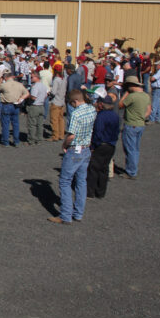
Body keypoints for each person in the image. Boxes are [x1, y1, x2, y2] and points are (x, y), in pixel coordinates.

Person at [48, 89, 97, 225]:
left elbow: (72, 135)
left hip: (75, 149)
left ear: (75, 101)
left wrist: (64, 144)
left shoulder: (76, 114)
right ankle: (78, 213)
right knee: (81, 181)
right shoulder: (91, 109)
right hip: (86, 148)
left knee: (65, 181)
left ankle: (65, 215)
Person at [86, 96, 121, 199]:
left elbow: (98, 133)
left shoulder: (101, 116)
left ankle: (90, 192)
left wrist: (93, 146)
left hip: (101, 145)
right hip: (111, 145)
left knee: (93, 168)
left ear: (101, 104)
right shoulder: (115, 116)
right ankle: (101, 192)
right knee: (104, 169)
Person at [118, 75, 151, 179]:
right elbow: (149, 111)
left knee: (129, 148)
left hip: (130, 124)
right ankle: (133, 169)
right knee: (135, 148)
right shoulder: (146, 96)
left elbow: (120, 105)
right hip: (140, 124)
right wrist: (141, 117)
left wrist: (126, 94)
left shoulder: (132, 96)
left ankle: (131, 171)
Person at [0, 72, 29, 147]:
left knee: (5, 124)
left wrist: (0, 80)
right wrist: (21, 98)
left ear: (5, 78)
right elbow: (27, 93)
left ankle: (5, 142)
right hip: (16, 105)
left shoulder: (4, 85)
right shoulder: (19, 84)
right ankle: (16, 141)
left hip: (6, 105)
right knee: (16, 124)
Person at [26, 71, 48, 144]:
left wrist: (27, 95)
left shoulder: (35, 86)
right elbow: (45, 96)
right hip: (41, 106)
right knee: (40, 124)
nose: (31, 79)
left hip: (34, 106)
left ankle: (31, 140)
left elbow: (33, 97)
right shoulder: (43, 86)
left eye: (32, 77)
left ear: (36, 77)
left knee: (32, 124)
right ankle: (39, 139)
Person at [49, 65, 66, 141]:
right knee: (61, 119)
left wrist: (49, 93)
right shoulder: (64, 79)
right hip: (62, 101)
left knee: (54, 120)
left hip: (56, 101)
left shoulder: (56, 80)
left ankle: (55, 136)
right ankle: (61, 135)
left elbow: (54, 92)